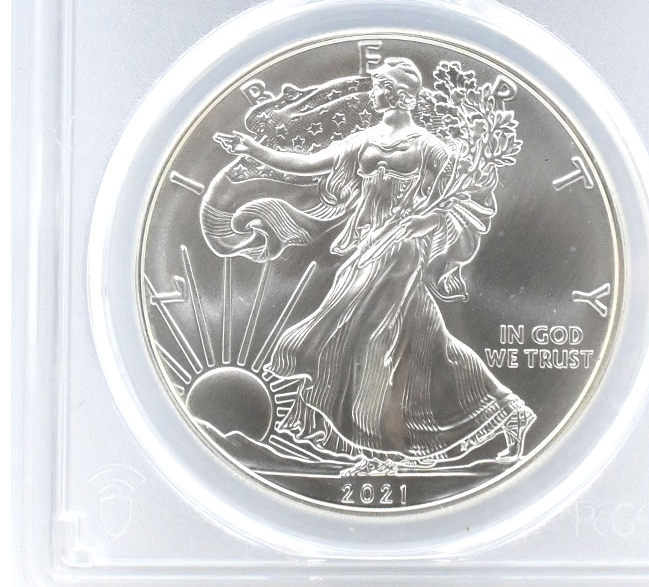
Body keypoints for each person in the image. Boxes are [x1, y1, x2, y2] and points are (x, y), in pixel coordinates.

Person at [220, 57, 534, 470]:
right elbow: (309, 164)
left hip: (401, 253)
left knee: (370, 342)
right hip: (367, 246)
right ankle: (508, 412)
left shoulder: (428, 146)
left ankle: (378, 449)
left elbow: (465, 198)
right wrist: (256, 150)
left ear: (400, 94)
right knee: (428, 344)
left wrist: (426, 221)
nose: (373, 92)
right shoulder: (363, 140)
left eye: (380, 85)